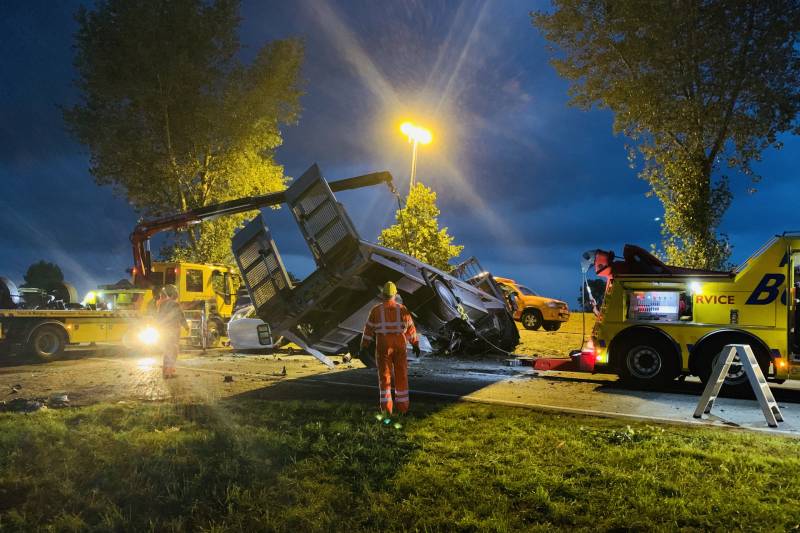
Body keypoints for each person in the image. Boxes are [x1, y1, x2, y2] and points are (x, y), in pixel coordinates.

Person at [361, 281, 420, 417]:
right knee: (402, 375)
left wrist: (363, 347)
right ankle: (403, 408)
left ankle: (386, 410)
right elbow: (411, 328)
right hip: (400, 343)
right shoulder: (402, 309)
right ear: (395, 294)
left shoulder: (376, 310)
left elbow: (368, 330)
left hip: (383, 344)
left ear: (383, 295)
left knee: (385, 378)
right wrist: (415, 344)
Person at [157, 284, 187, 378]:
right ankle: (169, 372)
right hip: (173, 331)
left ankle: (166, 370)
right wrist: (186, 326)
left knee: (167, 351)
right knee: (173, 351)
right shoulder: (175, 304)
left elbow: (159, 317)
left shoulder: (162, 304)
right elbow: (181, 316)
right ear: (174, 293)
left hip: (164, 331)